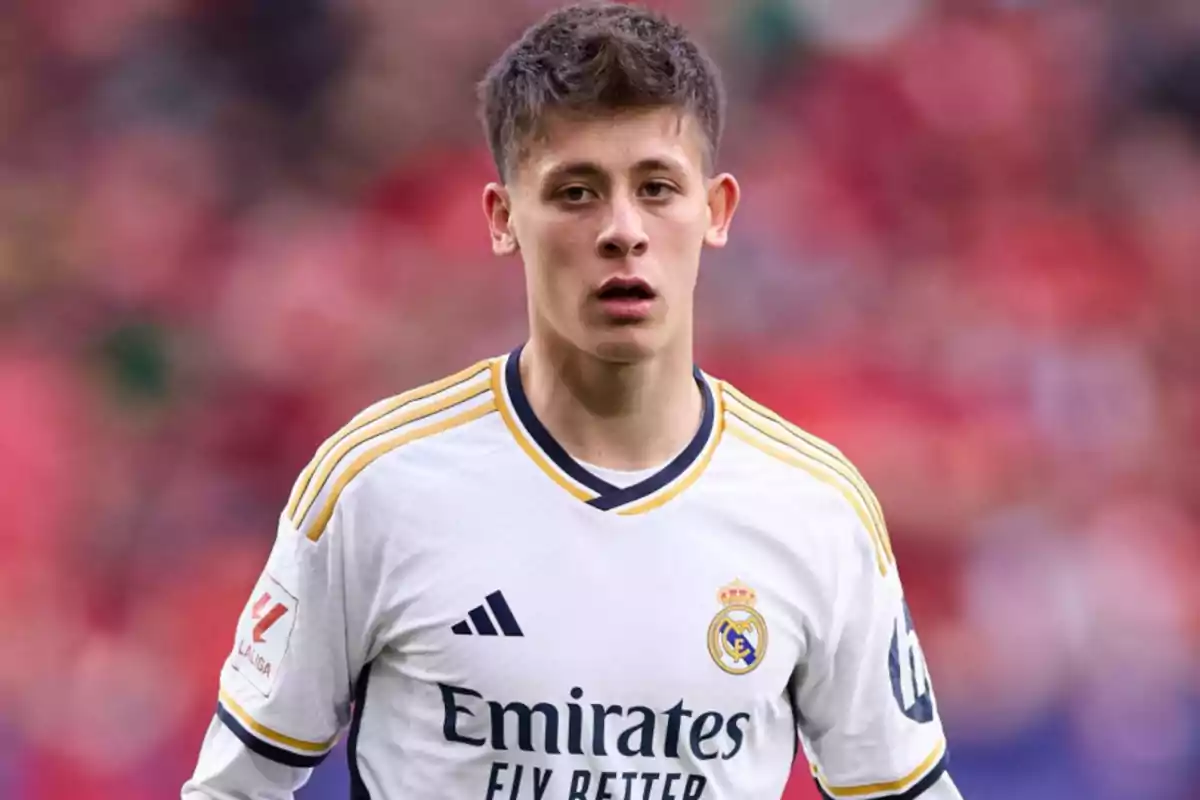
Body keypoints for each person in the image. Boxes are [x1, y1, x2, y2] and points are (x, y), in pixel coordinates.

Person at [182, 3, 964, 799]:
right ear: (503, 218)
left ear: (718, 210)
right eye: (576, 192)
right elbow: (231, 788)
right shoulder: (375, 486)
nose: (623, 230)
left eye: (657, 187)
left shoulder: (815, 511)